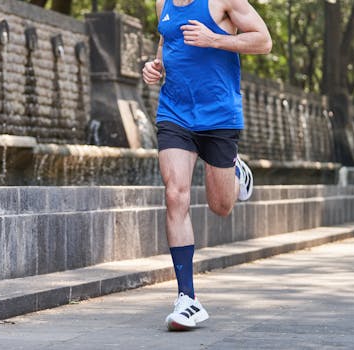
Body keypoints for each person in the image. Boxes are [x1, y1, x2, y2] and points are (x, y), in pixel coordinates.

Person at [142, 0, 272, 331]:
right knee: (175, 194)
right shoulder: (163, 3)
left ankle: (235, 170)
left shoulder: (224, 1)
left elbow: (263, 40)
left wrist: (216, 39)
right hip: (175, 112)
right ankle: (187, 298)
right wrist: (155, 66)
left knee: (221, 206)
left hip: (219, 115)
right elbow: (166, 40)